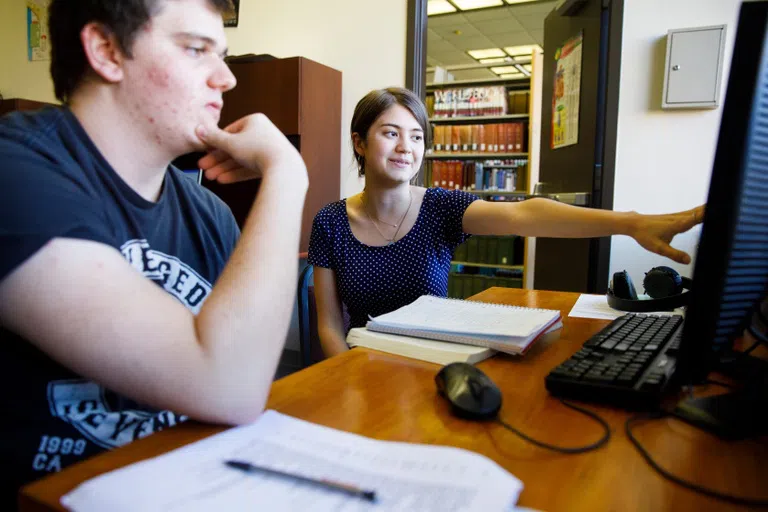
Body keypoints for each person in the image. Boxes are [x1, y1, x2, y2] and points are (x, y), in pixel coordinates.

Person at [0, 0, 307, 505]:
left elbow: (243, 384)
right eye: (195, 50)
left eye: (223, 54)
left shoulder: (211, 214)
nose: (226, 78)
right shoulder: (14, 173)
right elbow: (231, 385)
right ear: (106, 51)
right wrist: (287, 173)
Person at [308, 87, 704, 358]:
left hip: (435, 365)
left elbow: (525, 213)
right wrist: (346, 377)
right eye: (390, 133)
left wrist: (629, 223)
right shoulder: (330, 221)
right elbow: (328, 325)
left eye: (416, 137)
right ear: (360, 143)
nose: (405, 148)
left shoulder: (441, 208)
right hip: (364, 364)